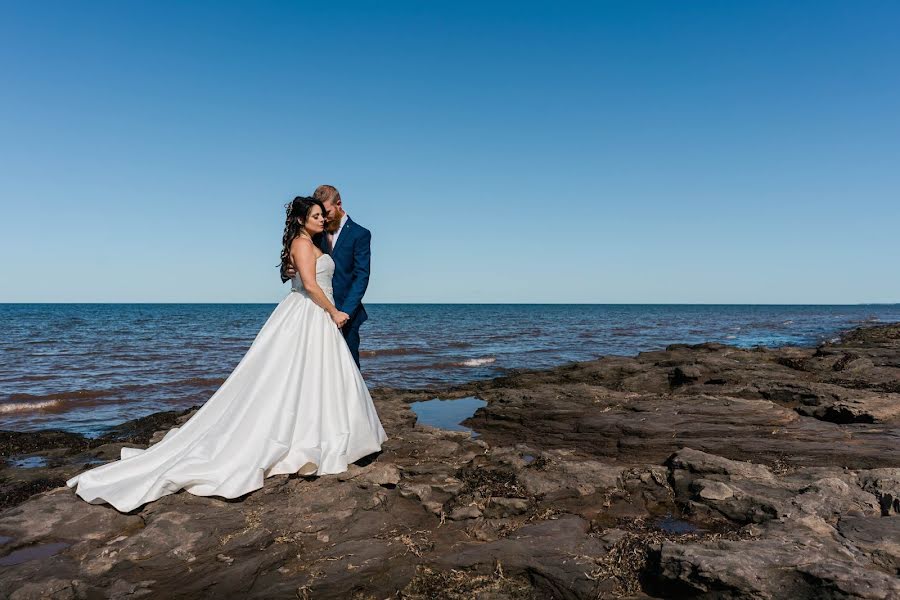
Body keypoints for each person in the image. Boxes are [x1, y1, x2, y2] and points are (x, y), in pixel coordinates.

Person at [67, 197, 388, 513]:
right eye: (316, 215)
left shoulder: (315, 242)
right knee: (289, 377)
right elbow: (309, 284)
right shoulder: (303, 245)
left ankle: (324, 434)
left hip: (316, 315)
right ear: (303, 219)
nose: (321, 219)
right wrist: (334, 311)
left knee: (316, 378)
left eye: (322, 215)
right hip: (311, 312)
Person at [284, 185, 370, 367]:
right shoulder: (313, 233)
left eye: (326, 212)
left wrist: (345, 311)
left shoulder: (360, 234)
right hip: (315, 310)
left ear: (339, 204)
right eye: (319, 214)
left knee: (348, 367)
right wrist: (288, 271)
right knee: (313, 364)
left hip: (347, 312)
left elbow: (361, 276)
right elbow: (297, 258)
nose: (323, 218)